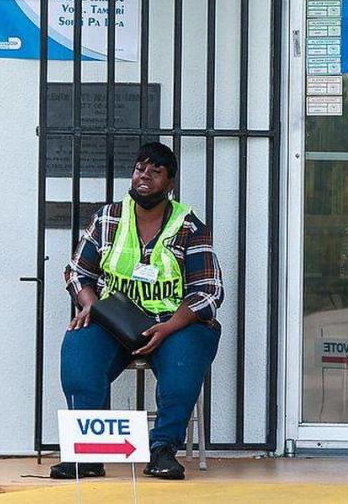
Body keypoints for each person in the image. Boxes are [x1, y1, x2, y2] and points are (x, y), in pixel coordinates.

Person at [50, 142, 223, 480]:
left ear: (169, 183)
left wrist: (170, 327)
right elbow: (77, 271)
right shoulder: (108, 218)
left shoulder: (189, 227)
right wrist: (90, 305)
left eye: (155, 172)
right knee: (79, 355)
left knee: (181, 371)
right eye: (141, 169)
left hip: (173, 323)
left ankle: (162, 451)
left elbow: (209, 291)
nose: (145, 177)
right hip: (114, 319)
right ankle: (86, 452)